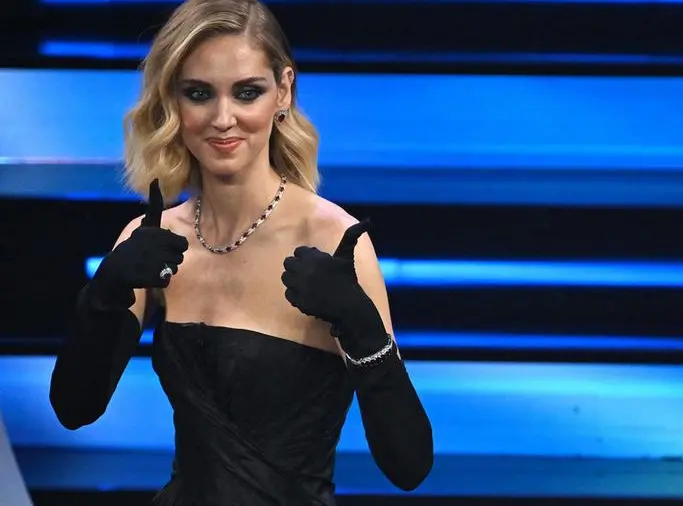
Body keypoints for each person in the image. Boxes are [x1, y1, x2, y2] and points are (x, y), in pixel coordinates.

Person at [47, 0, 434, 504]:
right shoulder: (151, 237)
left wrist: (362, 328)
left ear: (283, 91)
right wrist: (106, 290)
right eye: (199, 94)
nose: (223, 118)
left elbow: (409, 465)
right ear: (173, 100)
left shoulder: (334, 240)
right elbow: (75, 408)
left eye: (247, 92)